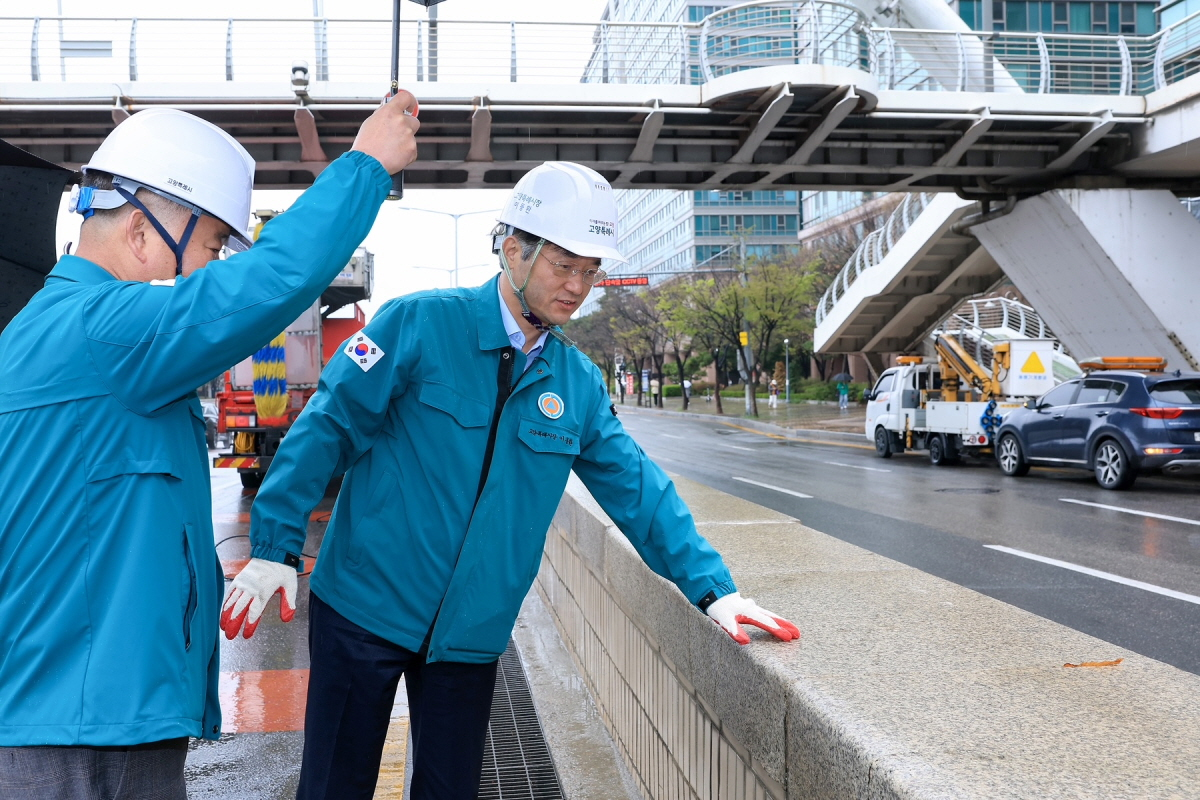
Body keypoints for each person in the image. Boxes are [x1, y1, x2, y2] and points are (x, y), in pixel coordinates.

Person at [220, 161, 800, 800]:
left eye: (590, 270)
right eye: (563, 265)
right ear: (514, 249)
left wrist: (713, 589)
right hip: (364, 609)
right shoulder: (417, 325)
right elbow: (326, 428)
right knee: (334, 785)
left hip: (470, 637)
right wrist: (274, 543)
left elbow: (636, 486)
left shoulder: (575, 383)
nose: (578, 286)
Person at [0, 97, 419, 798]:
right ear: (140, 230)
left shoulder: (49, 332)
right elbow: (265, 286)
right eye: (210, 245)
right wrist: (366, 166)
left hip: (82, 706)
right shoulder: (104, 329)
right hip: (84, 729)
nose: (208, 269)